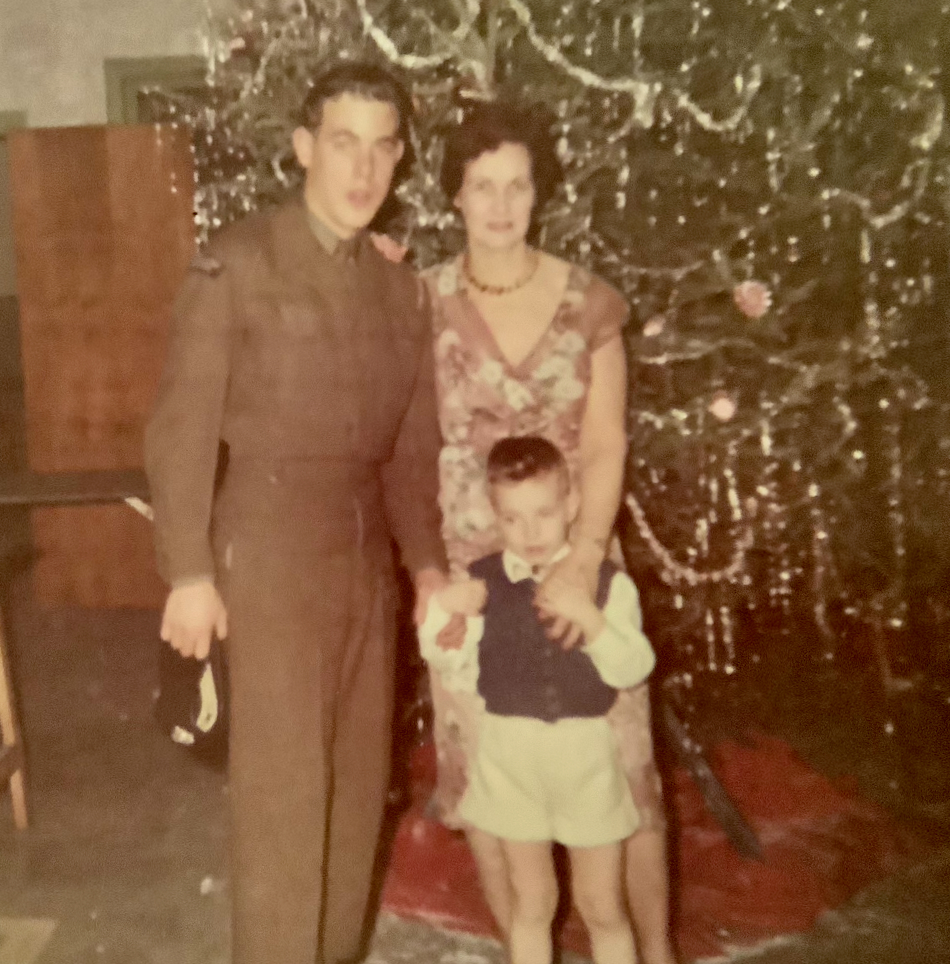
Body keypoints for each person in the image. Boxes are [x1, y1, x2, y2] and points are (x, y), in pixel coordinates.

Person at [144, 62, 448, 964]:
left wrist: (428, 566)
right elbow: (181, 426)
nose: (364, 168)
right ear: (304, 147)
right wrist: (188, 571)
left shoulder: (401, 290)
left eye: (382, 148)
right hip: (267, 555)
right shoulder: (238, 262)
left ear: (400, 158)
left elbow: (411, 449)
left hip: (364, 565)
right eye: (343, 143)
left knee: (355, 796)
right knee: (283, 805)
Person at [422, 100, 677, 963]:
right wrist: (433, 579)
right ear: (454, 196)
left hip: (578, 559)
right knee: (490, 786)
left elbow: (605, 442)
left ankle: (655, 955)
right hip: (474, 576)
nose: (500, 205)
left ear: (540, 192)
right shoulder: (421, 303)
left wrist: (584, 559)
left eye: (518, 186)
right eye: (481, 186)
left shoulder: (587, 302)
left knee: (624, 781)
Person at [420, 435, 656, 964]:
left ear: (572, 506)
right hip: (512, 761)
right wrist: (445, 612)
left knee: (602, 906)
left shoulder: (607, 585)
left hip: (585, 759)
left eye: (544, 514)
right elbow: (445, 656)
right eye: (513, 518)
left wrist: (590, 619)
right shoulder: (483, 583)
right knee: (532, 902)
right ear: (495, 516)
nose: (529, 533)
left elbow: (634, 667)